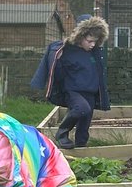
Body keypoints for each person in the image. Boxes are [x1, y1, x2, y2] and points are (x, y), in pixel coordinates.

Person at [31, 14, 110, 150]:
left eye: (95, 41)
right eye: (89, 41)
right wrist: (59, 61)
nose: (92, 44)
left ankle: (81, 148)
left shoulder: (94, 52)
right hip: (73, 91)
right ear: (80, 36)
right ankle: (62, 133)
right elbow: (59, 73)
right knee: (81, 109)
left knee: (85, 123)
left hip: (90, 92)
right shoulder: (67, 51)